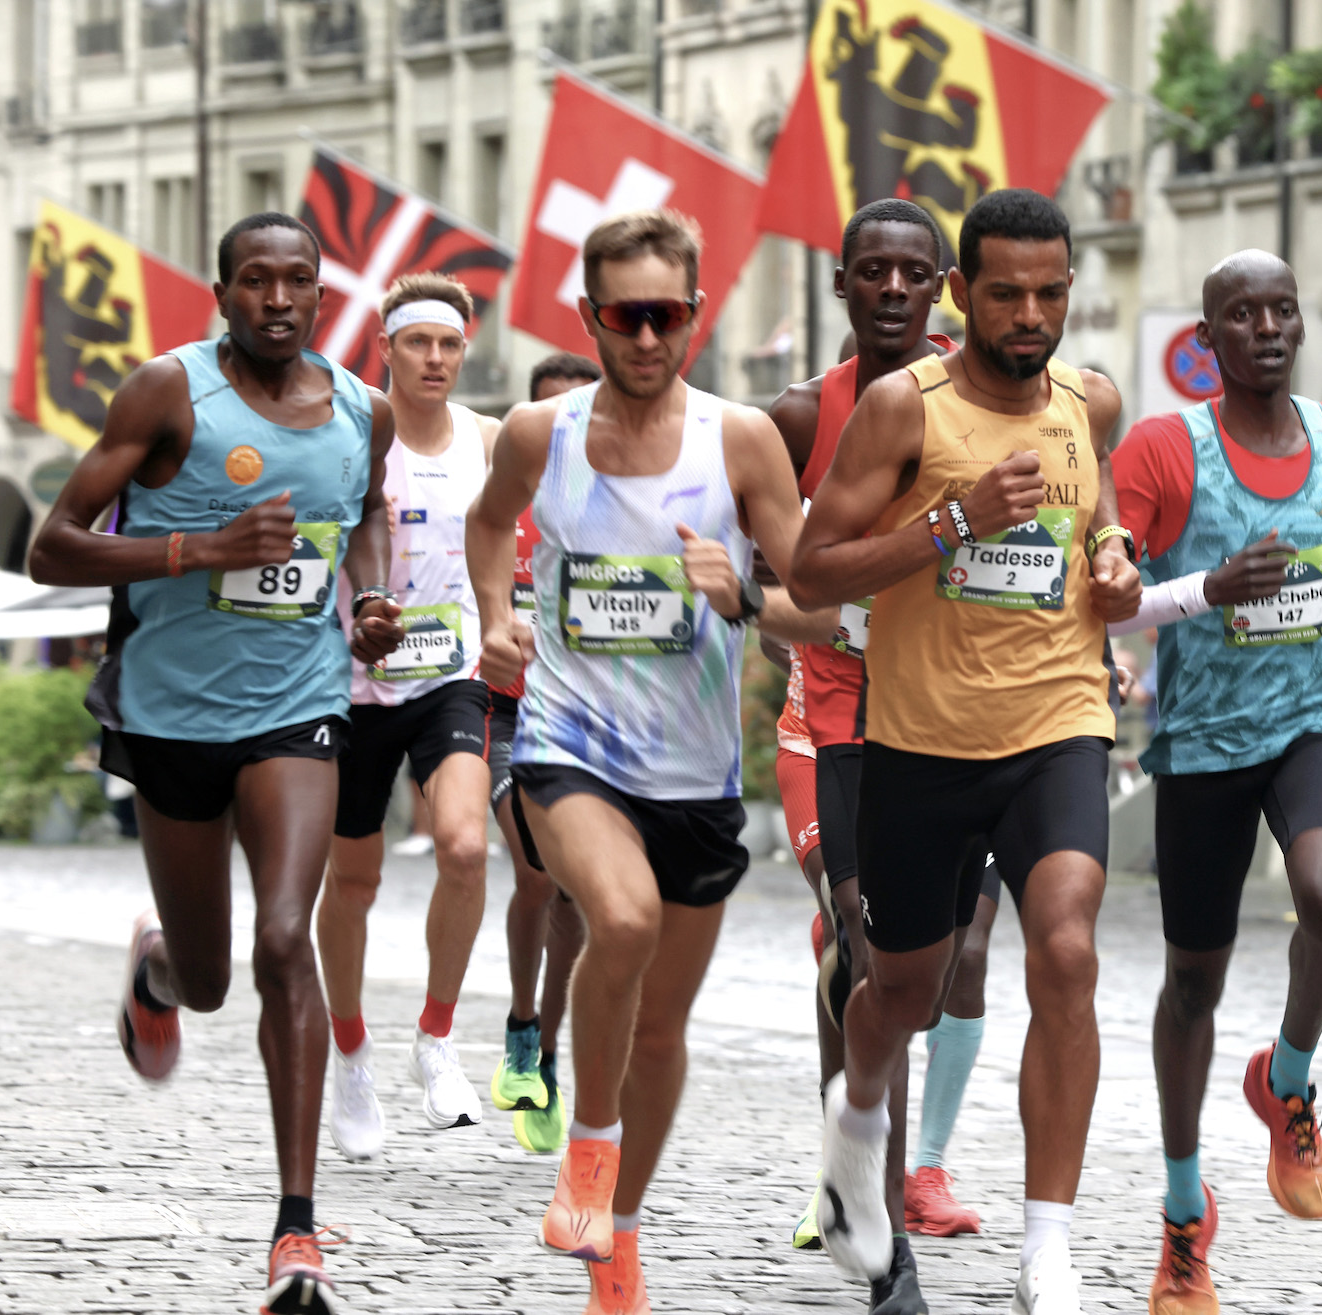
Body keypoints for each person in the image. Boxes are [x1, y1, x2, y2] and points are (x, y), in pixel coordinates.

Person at [29, 212, 402, 1315]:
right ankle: (158, 972)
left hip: (298, 708)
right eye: (256, 282)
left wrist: (370, 600)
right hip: (167, 716)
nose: (278, 300)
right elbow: (52, 544)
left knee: (288, 937)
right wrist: (202, 548)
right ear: (222, 292)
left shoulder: (360, 410)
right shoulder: (166, 394)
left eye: (299, 282)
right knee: (210, 978)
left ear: (323, 296)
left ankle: (297, 1234)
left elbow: (364, 516)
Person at [467, 208, 832, 1314]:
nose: (643, 336)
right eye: (622, 315)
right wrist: (494, 613)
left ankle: (618, 1241)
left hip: (696, 774)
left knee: (664, 1025)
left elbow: (817, 605)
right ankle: (587, 1146)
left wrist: (743, 596)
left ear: (696, 315)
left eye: (663, 315)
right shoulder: (542, 431)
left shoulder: (742, 441)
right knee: (617, 921)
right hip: (569, 743)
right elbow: (490, 527)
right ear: (589, 315)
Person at [789, 188, 1141, 1315]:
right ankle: (854, 1135)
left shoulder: (1089, 400)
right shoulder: (904, 409)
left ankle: (1050, 1248)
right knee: (901, 992)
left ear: (1070, 290)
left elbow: (1094, 523)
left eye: (1049, 292)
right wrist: (951, 522)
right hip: (921, 742)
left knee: (1068, 950)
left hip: (1058, 728)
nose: (1029, 312)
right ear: (962, 294)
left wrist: (1119, 561)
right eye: (1006, 293)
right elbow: (810, 571)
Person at [1106, 249, 1322, 1315]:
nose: (1266, 327)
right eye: (1241, 314)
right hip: (1206, 741)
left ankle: (1289, 1077)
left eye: (1283, 310)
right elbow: (1109, 606)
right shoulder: (1162, 450)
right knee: (1193, 984)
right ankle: (1184, 1215)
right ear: (1206, 339)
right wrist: (1204, 589)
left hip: (1317, 720)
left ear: (1300, 326)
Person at [766, 199, 993, 1313]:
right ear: (842, 285)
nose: (894, 290)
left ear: (945, 285)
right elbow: (764, 591)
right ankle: (884, 1235)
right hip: (837, 725)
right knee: (867, 947)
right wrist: (836, 605)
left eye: (915, 273)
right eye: (873, 272)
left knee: (936, 967)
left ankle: (846, 1147)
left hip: (957, 719)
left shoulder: (989, 399)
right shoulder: (799, 416)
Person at [314, 274, 501, 1156]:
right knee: (354, 882)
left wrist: (506, 624)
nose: (435, 359)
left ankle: (436, 1035)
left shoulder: (489, 440)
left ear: (465, 351)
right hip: (352, 686)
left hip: (447, 676)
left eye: (450, 344)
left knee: (466, 846)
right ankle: (350, 1050)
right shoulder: (352, 439)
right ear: (384, 348)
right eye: (418, 342)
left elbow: (522, 539)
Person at [488, 351, 603, 1154]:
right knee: (537, 875)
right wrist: (497, 627)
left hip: (589, 720)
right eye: (549, 414)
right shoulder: (503, 503)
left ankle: (545, 1049)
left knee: (574, 900)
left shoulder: (621, 506)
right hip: (503, 711)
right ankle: (522, 1021)